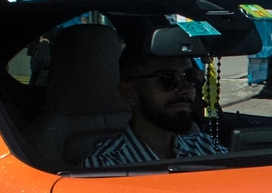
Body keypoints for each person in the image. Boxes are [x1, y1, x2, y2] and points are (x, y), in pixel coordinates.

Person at [80, 47, 226, 167]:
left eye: (191, 77)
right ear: (130, 93)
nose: (185, 88)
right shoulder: (105, 166)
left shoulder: (206, 148)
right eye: (167, 78)